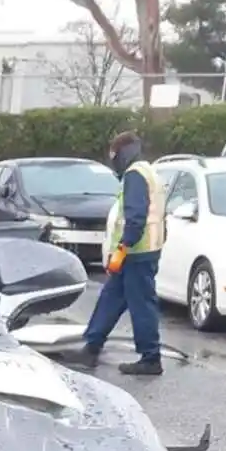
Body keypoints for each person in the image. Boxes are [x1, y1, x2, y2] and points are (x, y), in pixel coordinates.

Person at [72, 130, 167, 377]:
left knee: (141, 305)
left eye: (113, 156)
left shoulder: (135, 175)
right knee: (111, 298)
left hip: (137, 252)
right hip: (140, 251)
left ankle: (151, 357)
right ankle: (91, 347)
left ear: (121, 154)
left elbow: (135, 216)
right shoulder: (149, 171)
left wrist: (123, 247)